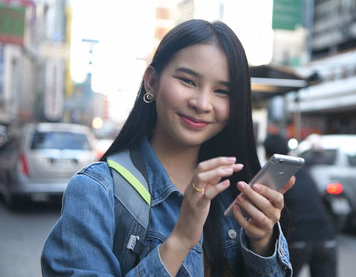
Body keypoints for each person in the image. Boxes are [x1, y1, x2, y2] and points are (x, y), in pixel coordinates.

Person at [41, 19, 294, 277]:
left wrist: (262, 242)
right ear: (151, 81)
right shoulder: (97, 191)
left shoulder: (236, 193)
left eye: (221, 91)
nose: (202, 103)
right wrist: (180, 240)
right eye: (188, 81)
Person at [264, 134, 337, 277]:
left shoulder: (270, 178)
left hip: (298, 238)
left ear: (266, 153)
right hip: (326, 234)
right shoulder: (302, 171)